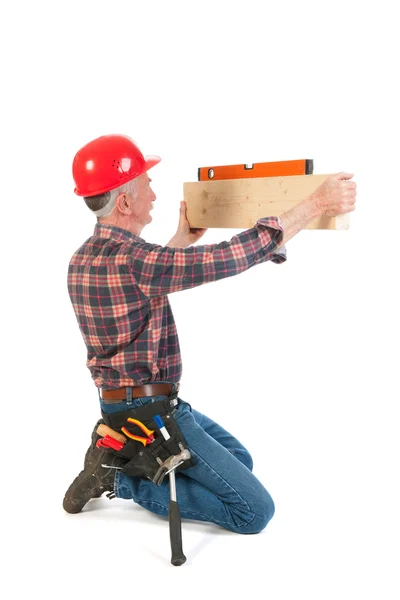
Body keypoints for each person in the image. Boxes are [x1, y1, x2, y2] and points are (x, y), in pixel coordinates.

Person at [63, 134, 357, 534]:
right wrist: (315, 204)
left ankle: (129, 456)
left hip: (126, 405)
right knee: (252, 512)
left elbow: (140, 290)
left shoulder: (85, 258)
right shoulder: (136, 260)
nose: (154, 193)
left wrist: (183, 241)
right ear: (126, 202)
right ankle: (115, 477)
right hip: (150, 413)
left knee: (240, 460)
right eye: (146, 183)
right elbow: (224, 260)